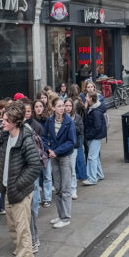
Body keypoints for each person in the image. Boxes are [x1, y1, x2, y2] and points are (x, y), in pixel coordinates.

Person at [0, 101, 41, 257]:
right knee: (14, 228)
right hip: (9, 190)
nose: (2, 122)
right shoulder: (7, 137)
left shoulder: (26, 139)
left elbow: (35, 166)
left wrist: (17, 185)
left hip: (19, 192)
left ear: (15, 122)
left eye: (6, 120)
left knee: (23, 230)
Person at [43, 96, 76, 229]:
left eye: (63, 106)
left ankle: (66, 217)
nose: (62, 108)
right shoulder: (49, 121)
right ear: (53, 108)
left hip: (64, 157)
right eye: (60, 106)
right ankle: (60, 214)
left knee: (66, 189)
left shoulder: (69, 122)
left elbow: (71, 142)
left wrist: (56, 151)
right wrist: (48, 149)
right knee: (57, 188)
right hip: (54, 157)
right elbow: (44, 137)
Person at [23, 100, 45, 253]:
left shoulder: (33, 128)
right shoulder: (16, 131)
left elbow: (38, 151)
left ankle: (32, 242)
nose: (26, 113)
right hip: (21, 177)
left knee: (31, 208)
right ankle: (25, 244)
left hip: (29, 173)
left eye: (28, 111)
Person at [82, 91, 106, 186]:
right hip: (95, 136)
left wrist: (88, 135)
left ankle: (92, 178)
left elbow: (97, 127)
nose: (85, 98)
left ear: (91, 99)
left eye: (87, 97)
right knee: (95, 156)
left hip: (95, 136)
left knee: (91, 157)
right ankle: (99, 174)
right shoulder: (92, 108)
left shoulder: (95, 112)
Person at [64, 97, 83, 201]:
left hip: (73, 147)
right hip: (63, 147)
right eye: (66, 105)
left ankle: (73, 190)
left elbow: (80, 131)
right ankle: (66, 190)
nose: (68, 108)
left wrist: (71, 123)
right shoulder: (59, 118)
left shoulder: (77, 118)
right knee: (64, 170)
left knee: (72, 169)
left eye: (70, 106)